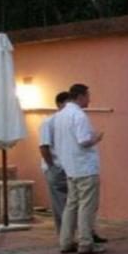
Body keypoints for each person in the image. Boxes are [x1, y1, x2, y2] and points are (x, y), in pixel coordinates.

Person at [54, 83, 105, 254]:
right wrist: (96, 138)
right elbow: (83, 141)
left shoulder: (60, 116)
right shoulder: (79, 115)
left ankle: (65, 241)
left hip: (70, 167)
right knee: (87, 206)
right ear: (80, 96)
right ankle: (85, 241)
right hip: (84, 167)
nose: (89, 100)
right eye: (88, 96)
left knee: (71, 205)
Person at [38, 91, 70, 232]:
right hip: (56, 167)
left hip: (70, 168)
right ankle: (65, 234)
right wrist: (52, 167)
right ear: (59, 104)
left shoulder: (70, 121)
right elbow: (44, 146)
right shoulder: (49, 122)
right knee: (60, 203)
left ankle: (80, 232)